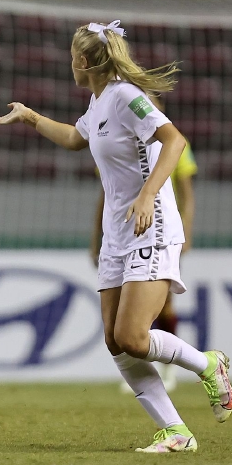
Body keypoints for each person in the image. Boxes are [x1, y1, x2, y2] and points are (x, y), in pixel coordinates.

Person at [0, 19, 232, 453]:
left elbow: (175, 141)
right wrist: (30, 117)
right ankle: (175, 431)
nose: (70, 64)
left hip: (150, 226)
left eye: (72, 57)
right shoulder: (99, 100)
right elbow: (75, 137)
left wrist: (147, 195)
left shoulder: (125, 97)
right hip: (117, 234)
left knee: (133, 337)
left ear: (84, 61)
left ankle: (207, 364)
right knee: (114, 339)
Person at [90, 96, 198, 393]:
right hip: (121, 234)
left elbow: (187, 195)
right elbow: (107, 195)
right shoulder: (116, 138)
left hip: (158, 231)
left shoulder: (171, 141)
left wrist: (186, 231)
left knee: (163, 305)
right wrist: (96, 238)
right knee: (126, 313)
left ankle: (169, 370)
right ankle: (144, 371)